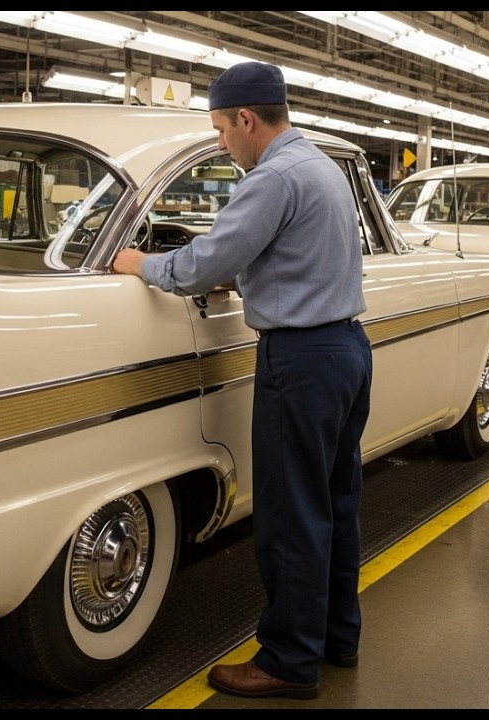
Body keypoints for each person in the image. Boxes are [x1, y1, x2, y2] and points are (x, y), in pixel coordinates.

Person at [111, 61, 372, 700]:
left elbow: (204, 263)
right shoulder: (321, 167)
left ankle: (288, 659)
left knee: (290, 516)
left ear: (247, 120)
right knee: (335, 505)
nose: (222, 143)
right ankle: (336, 636)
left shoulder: (272, 177)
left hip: (300, 361)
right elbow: (290, 256)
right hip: (346, 351)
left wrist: (141, 262)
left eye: (222, 131)